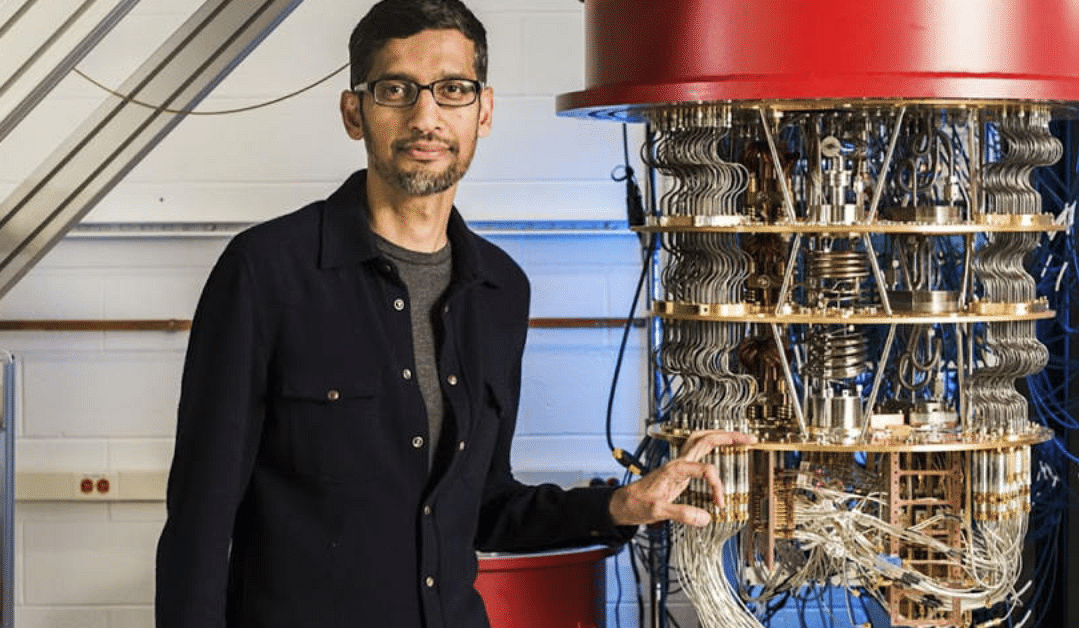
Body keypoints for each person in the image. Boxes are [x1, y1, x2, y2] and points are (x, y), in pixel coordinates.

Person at [153, 1, 754, 627]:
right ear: (354, 112)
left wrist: (624, 505)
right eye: (395, 90)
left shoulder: (500, 290)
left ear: (483, 111)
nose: (426, 116)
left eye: (452, 90)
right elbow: (199, 523)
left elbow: (485, 505)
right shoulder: (266, 273)